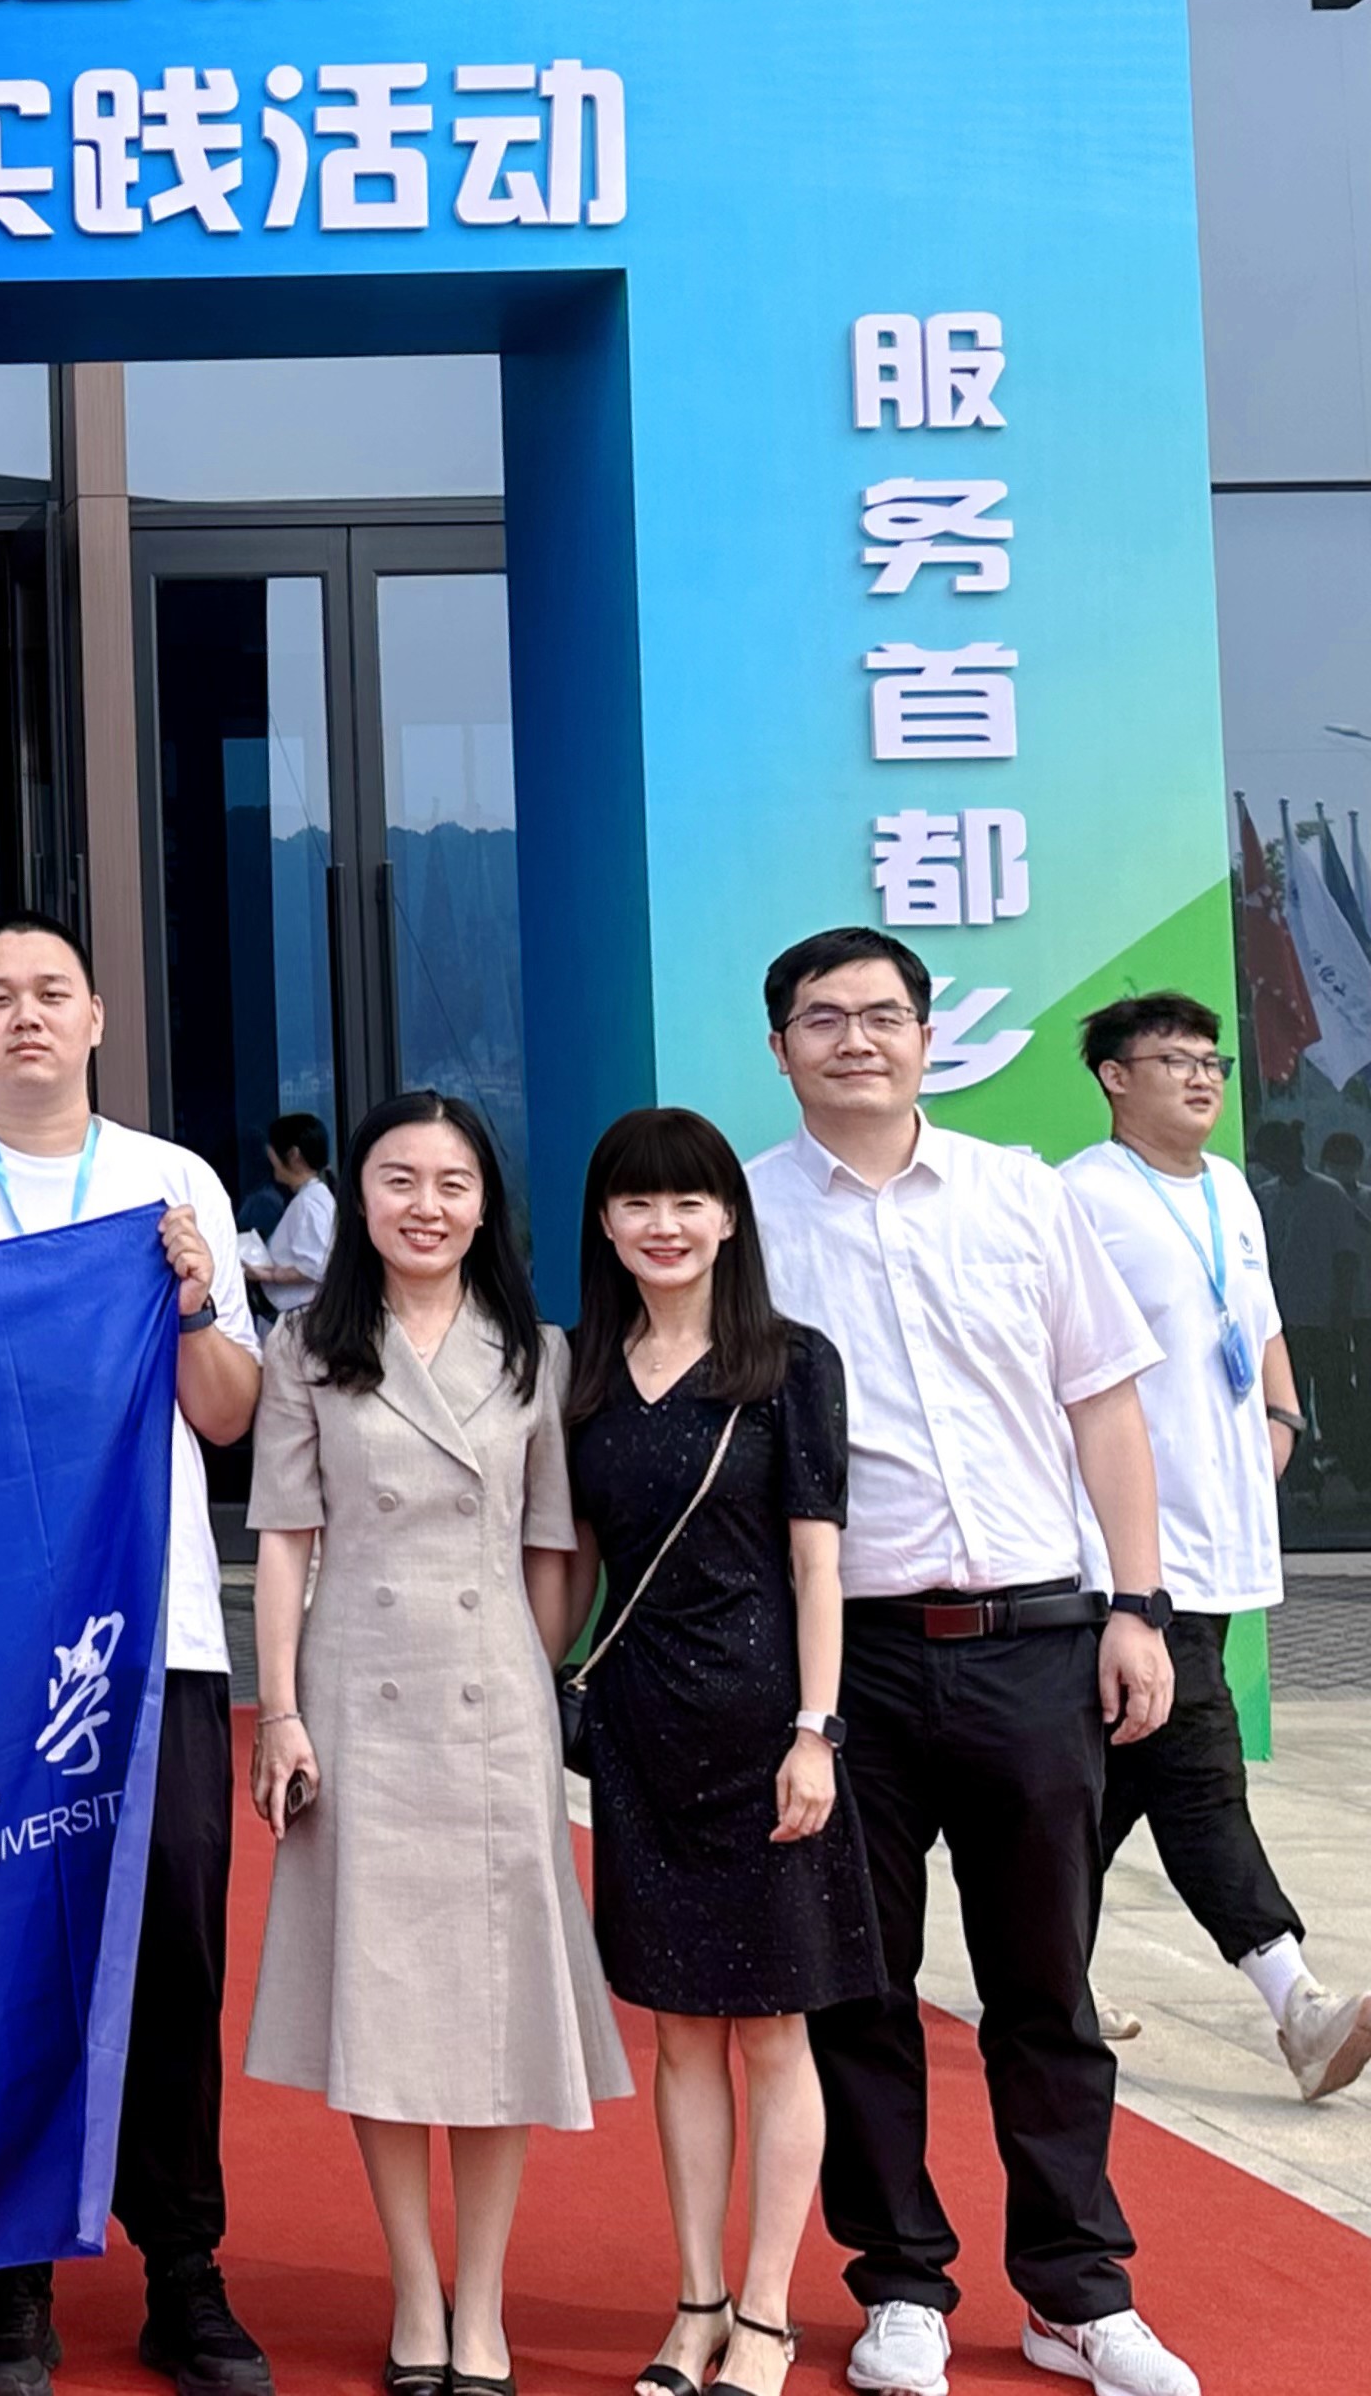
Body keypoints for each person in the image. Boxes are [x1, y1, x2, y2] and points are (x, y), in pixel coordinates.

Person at [743, 927, 1196, 2396]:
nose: (856, 1039)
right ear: (780, 1048)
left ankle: (1078, 2288)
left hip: (1033, 1644)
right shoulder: (743, 1218)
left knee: (1046, 1986)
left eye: (883, 1014)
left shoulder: (1022, 1194)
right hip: (847, 1665)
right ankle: (900, 2284)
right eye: (824, 1019)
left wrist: (1139, 1605)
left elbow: (1104, 1409)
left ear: (930, 1038)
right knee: (860, 1989)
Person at [0, 916, 270, 2396]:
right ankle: (12, 2285)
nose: (26, 1016)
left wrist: (193, 1296)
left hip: (158, 1631)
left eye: (52, 993)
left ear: (94, 1019)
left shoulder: (173, 1177)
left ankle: (184, 2271)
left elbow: (226, 1412)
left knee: (174, 1949)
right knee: (2, 1952)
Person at [245, 1089, 625, 2396]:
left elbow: (554, 1545)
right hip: (360, 1699)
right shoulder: (307, 1346)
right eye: (399, 1179)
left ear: (485, 1205)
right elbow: (284, 1540)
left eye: (453, 1183)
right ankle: (416, 2289)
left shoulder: (538, 1353)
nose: (426, 1204)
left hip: (493, 1704)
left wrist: (532, 1670)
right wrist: (280, 1709)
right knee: (387, 2000)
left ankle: (486, 2302)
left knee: (498, 2010)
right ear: (358, 1198)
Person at [562, 1107, 882, 2396]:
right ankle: (694, 2301)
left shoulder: (791, 1362)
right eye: (638, 1201)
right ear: (603, 1223)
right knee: (681, 2034)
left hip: (764, 1736)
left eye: (690, 1199)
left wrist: (817, 1731)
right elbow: (572, 1566)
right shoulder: (582, 1372)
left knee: (773, 2032)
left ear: (730, 1216)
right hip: (641, 1735)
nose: (666, 1223)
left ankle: (767, 2310)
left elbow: (818, 1565)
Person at [1066, 993, 1371, 2099]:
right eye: (1176, 1059)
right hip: (1131, 1554)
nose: (1203, 1077)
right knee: (1198, 1768)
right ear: (1114, 1076)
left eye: (1214, 1060)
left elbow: (1262, 1317)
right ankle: (1299, 2005)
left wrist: (1281, 1419)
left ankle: (1043, 1974)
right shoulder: (1081, 1198)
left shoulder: (1231, 1188)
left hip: (1225, 1534)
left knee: (1109, 1780)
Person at [242, 1112, 335, 1325]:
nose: (269, 1157)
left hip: (299, 1320)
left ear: (293, 1155)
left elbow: (314, 1267)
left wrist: (268, 1275)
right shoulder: (313, 1197)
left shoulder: (310, 1203)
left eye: (272, 1151)